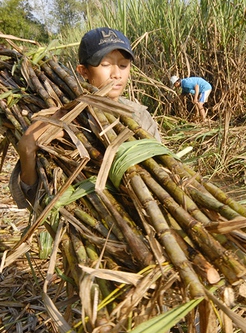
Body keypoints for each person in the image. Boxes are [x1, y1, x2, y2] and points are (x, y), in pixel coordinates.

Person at [11, 27, 162, 209]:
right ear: (83, 71)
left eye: (123, 65)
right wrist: (27, 148)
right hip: (92, 218)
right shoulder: (61, 117)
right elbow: (34, 198)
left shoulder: (139, 115)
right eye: (105, 65)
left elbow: (161, 171)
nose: (116, 73)